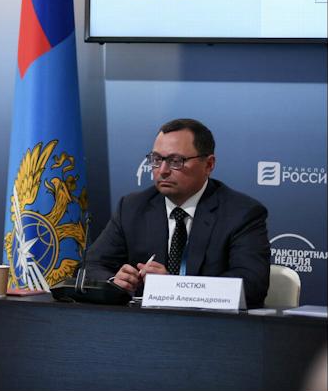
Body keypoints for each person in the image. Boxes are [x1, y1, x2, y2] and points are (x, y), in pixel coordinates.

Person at [84, 118, 270, 308]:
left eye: (176, 161)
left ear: (208, 164)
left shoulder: (241, 214)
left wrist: (175, 288)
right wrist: (115, 282)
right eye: (157, 159)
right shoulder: (132, 208)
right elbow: (90, 267)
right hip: (142, 323)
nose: (163, 171)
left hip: (210, 324)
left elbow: (251, 286)